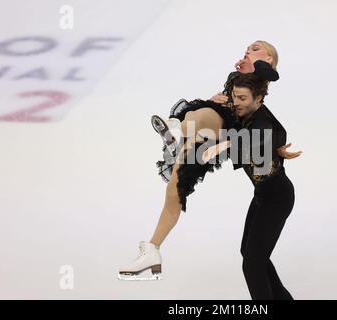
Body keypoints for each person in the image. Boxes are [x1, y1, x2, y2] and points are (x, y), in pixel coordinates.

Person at [118, 41, 300, 281]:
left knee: (203, 115)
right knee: (176, 186)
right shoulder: (236, 78)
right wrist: (221, 96)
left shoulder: (262, 81)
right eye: (247, 48)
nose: (248, 50)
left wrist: (254, 67)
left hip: (229, 133)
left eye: (255, 48)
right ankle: (153, 249)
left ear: (268, 60)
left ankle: (179, 134)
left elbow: (269, 90)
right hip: (211, 134)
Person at [202, 72, 303, 299]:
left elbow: (257, 138)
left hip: (278, 198)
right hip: (263, 196)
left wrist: (225, 144)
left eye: (243, 98)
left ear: (259, 100)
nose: (236, 103)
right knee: (249, 254)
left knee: (252, 265)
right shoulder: (242, 109)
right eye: (235, 96)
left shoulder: (263, 123)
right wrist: (214, 101)